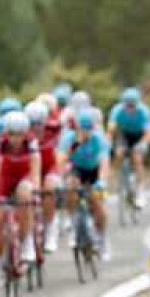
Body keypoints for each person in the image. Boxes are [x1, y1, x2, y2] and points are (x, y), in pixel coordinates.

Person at [0, 110, 41, 268]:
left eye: (19, 134)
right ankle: (1, 261)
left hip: (24, 177)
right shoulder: (0, 142)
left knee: (25, 195)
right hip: (5, 178)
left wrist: (36, 188)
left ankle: (27, 244)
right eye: (12, 134)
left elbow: (35, 165)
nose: (15, 139)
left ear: (25, 133)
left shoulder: (31, 142)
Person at [64, 106, 112, 260]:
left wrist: (102, 181)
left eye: (88, 130)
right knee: (71, 187)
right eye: (82, 130)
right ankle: (73, 224)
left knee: (97, 204)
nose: (85, 134)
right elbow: (61, 159)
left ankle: (103, 239)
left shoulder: (99, 140)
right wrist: (76, 144)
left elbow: (104, 162)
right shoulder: (69, 139)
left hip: (94, 172)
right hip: (76, 170)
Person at [27, 100, 64, 253]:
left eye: (39, 124)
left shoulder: (55, 128)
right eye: (32, 124)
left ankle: (50, 228)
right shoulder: (22, 133)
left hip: (49, 168)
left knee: (50, 188)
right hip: (30, 170)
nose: (36, 128)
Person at [108, 87, 150, 207]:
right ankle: (116, 178)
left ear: (137, 104)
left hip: (139, 136)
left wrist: (143, 144)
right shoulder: (117, 110)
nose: (130, 108)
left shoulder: (144, 111)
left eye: (133, 106)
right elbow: (111, 128)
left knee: (137, 157)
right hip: (124, 135)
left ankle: (140, 188)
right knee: (119, 152)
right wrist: (108, 141)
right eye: (127, 106)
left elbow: (149, 132)